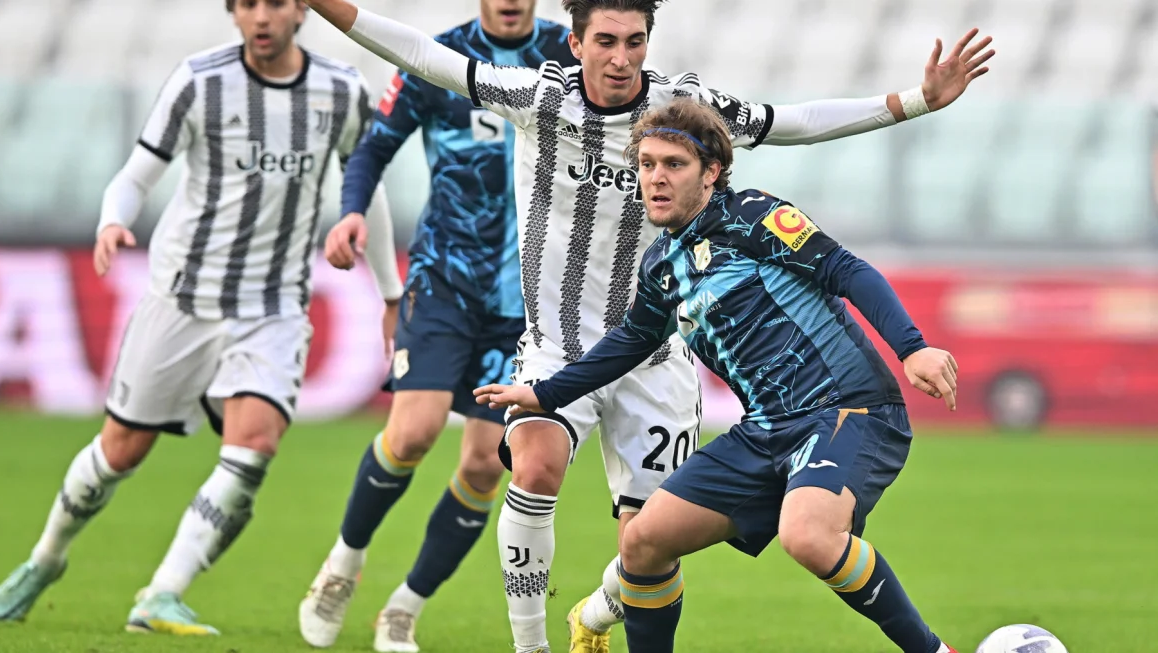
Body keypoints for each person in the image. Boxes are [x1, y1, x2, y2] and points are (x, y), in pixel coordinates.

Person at [300, 0, 992, 650]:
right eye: (605, 41)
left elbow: (795, 121)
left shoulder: (690, 124)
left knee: (647, 540)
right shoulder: (541, 102)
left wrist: (914, 100)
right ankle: (531, 642)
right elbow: (423, 54)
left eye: (634, 41)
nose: (621, 57)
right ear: (574, 43)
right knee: (542, 471)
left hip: (663, 360)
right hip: (559, 346)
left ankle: (600, 608)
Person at [475, 97, 962, 653]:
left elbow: (844, 269)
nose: (655, 178)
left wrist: (913, 348)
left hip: (847, 409)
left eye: (674, 165)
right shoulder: (661, 264)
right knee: (643, 543)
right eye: (647, 164)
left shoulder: (753, 217)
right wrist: (546, 394)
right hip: (766, 431)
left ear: (711, 172)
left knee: (807, 534)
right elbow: (633, 340)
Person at [0, 0, 399, 635]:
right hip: (183, 297)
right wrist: (112, 220)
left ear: (300, 13)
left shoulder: (339, 91)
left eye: (277, 3)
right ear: (233, 13)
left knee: (254, 445)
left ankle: (160, 594)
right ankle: (47, 557)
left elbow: (368, 183)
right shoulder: (199, 81)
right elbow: (136, 175)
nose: (262, 16)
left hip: (274, 303)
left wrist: (390, 290)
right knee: (120, 451)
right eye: (249, 4)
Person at [298, 1, 577, 650]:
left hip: (527, 304)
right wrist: (349, 213)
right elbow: (371, 150)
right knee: (414, 431)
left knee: (484, 465)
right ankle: (342, 562)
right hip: (446, 281)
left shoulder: (573, 56)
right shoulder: (439, 58)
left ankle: (404, 606)